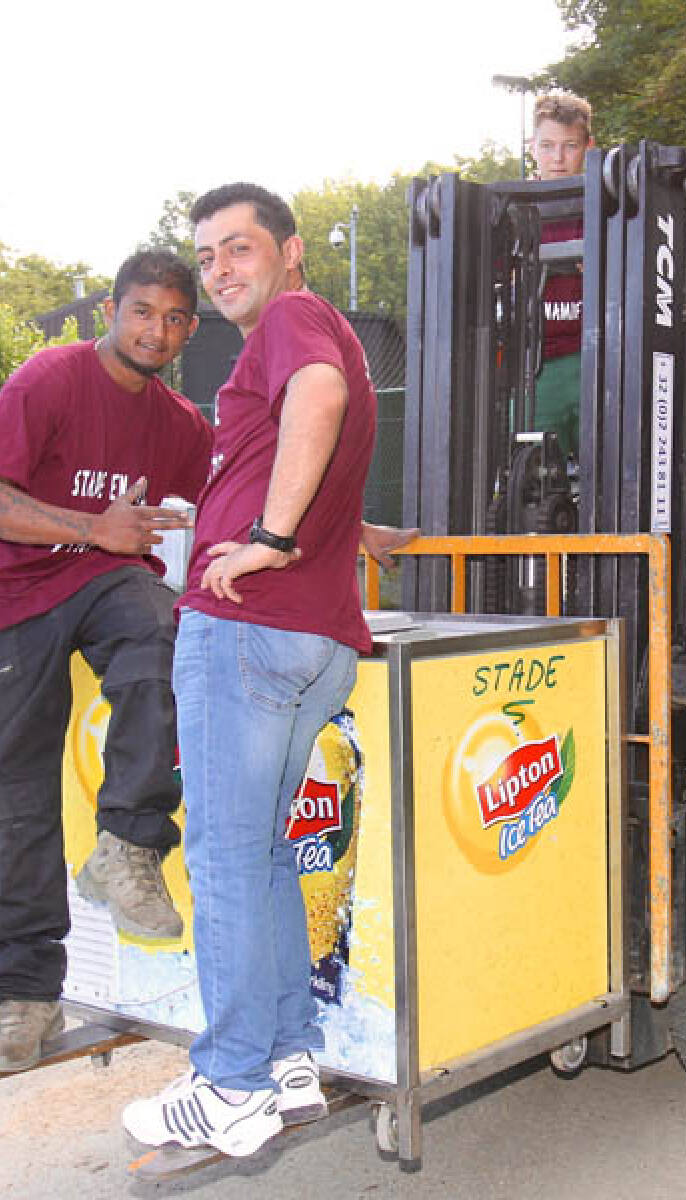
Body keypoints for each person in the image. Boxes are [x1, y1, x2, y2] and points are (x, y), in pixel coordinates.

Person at [123, 184, 415, 1157]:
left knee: (223, 856)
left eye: (237, 248)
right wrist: (326, 531)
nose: (218, 271)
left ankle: (232, 1081)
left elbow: (318, 402)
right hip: (315, 638)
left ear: (290, 252)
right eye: (206, 256)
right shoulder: (323, 330)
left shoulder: (293, 322)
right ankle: (288, 1055)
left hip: (249, 626)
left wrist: (270, 537)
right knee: (265, 854)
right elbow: (321, 426)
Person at [0, 251, 211, 1073]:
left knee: (159, 627)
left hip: (108, 580)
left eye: (174, 318)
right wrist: (93, 527)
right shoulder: (48, 380)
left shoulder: (179, 422)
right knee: (18, 799)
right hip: (17, 593)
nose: (156, 330)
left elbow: (240, 490)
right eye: (142, 312)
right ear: (112, 313)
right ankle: (26, 994)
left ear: (189, 331)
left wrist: (345, 526)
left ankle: (128, 843)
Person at [530, 89, 595, 459]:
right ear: (532, 147)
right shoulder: (512, 211)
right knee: (531, 471)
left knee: (611, 468)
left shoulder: (605, 208)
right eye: (548, 146)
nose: (557, 158)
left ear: (588, 147)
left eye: (570, 146)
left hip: (595, 359)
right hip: (537, 366)